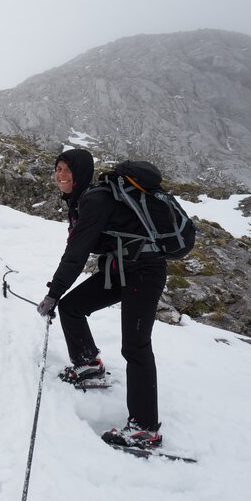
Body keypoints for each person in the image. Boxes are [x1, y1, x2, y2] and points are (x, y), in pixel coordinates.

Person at [36, 148, 167, 449]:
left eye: (67, 170)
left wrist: (53, 293)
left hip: (144, 271)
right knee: (72, 307)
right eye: (57, 169)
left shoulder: (94, 200)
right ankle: (88, 365)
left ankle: (145, 429)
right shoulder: (84, 200)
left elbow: (76, 254)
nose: (60, 175)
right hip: (123, 269)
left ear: (81, 172)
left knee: (135, 346)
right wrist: (59, 296)